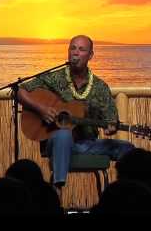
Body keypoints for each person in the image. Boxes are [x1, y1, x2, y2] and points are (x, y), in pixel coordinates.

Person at [17, 35, 134, 195]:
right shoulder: (54, 77)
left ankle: (126, 197)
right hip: (55, 142)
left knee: (128, 149)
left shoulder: (100, 87)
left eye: (81, 49)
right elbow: (20, 91)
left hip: (87, 144)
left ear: (90, 55)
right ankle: (57, 189)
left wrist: (111, 127)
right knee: (64, 134)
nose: (75, 53)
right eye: (72, 48)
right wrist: (41, 109)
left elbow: (111, 119)